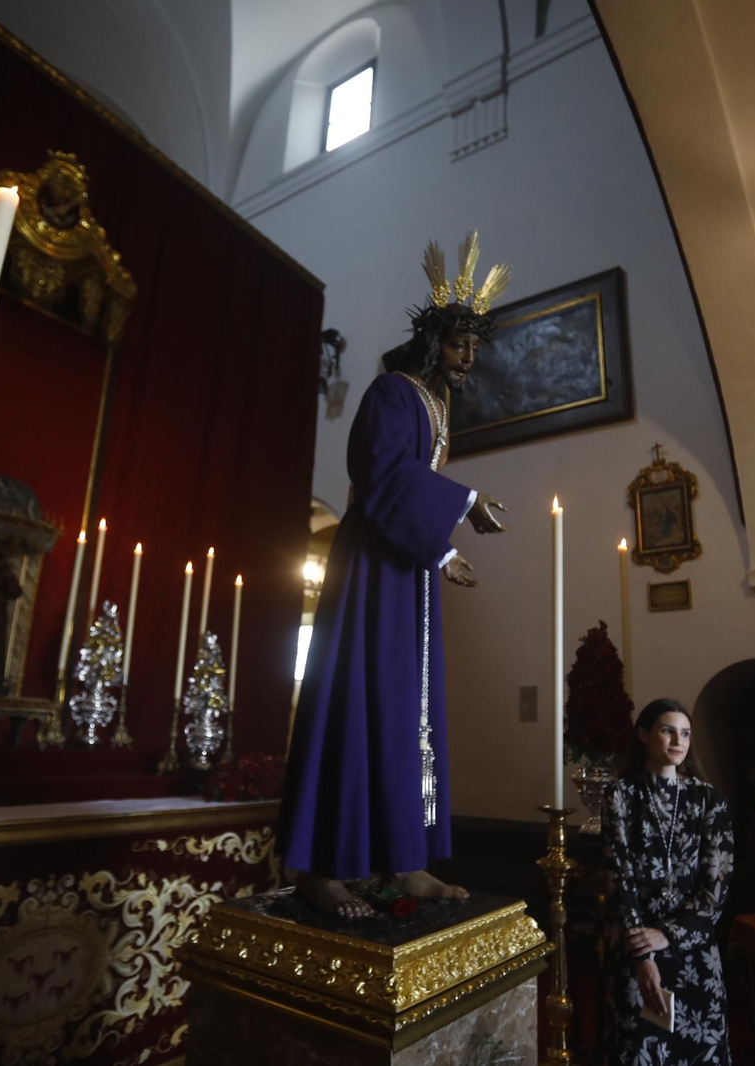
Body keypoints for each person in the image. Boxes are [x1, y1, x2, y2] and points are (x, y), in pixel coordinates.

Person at [277, 234, 512, 919]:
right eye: (458, 340)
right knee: (358, 702)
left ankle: (406, 862)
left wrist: (445, 537)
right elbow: (380, 476)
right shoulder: (392, 392)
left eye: (476, 344)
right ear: (433, 337)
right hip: (373, 570)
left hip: (407, 570)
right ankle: (324, 867)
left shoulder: (437, 411)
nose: (468, 355)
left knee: (411, 712)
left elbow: (411, 483)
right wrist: (458, 515)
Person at [602, 699, 735, 1066]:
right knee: (639, 1049)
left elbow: (717, 885)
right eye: (667, 730)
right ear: (644, 735)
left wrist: (669, 933)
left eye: (686, 733)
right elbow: (620, 876)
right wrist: (644, 952)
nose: (679, 740)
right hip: (636, 944)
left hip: (694, 949)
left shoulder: (709, 799)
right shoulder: (621, 795)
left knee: (698, 1050)